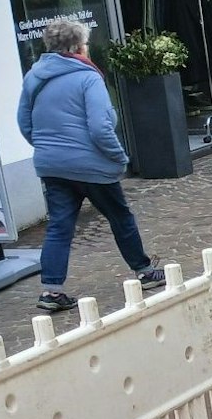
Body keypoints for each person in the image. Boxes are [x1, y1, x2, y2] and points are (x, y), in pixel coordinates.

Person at [14, 17, 166, 314]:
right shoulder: (88, 77)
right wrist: (118, 156)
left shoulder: (35, 76)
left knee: (59, 227)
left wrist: (49, 148)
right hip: (92, 164)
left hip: (52, 165)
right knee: (120, 216)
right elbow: (100, 127)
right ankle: (145, 272)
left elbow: (24, 123)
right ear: (78, 46)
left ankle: (52, 290)